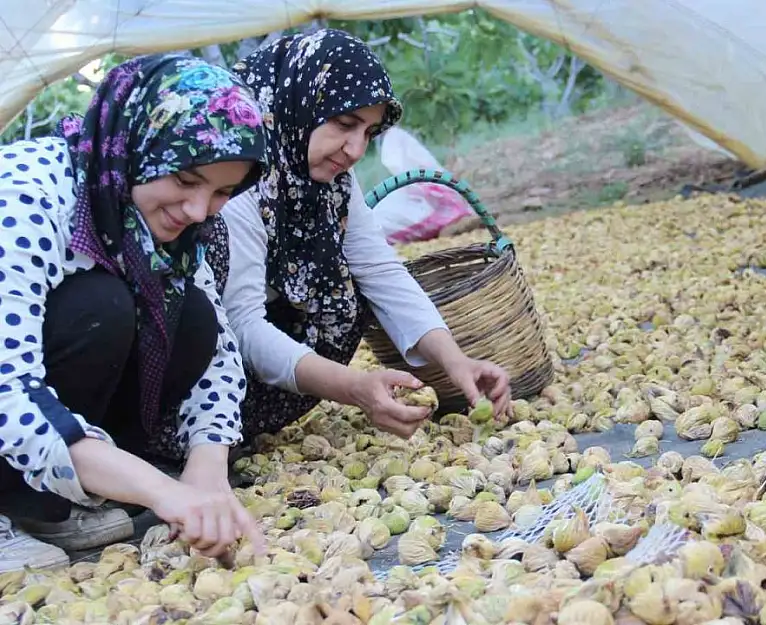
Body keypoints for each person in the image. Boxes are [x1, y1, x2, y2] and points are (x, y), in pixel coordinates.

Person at [0, 54, 269, 572]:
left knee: (189, 315)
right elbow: (8, 389)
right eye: (186, 180)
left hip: (44, 418)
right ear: (141, 147)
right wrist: (160, 491)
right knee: (99, 306)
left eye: (220, 192)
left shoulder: (168, 224)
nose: (197, 210)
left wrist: (205, 468)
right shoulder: (27, 195)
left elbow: (218, 350)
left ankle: (58, 499)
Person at [207, 29, 512, 446]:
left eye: (368, 134)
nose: (354, 149)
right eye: (345, 124)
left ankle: (252, 427)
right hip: (205, 370)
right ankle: (203, 442)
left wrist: (455, 361)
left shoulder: (333, 184)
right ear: (298, 104)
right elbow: (240, 322)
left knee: (350, 292)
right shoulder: (237, 176)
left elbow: (381, 269)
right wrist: (353, 387)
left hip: (269, 354)